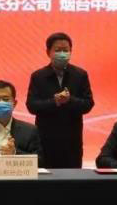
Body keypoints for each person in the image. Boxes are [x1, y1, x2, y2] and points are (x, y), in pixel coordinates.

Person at [26, 32, 94, 168]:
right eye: (58, 50)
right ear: (48, 52)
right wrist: (54, 102)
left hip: (72, 141)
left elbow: (88, 104)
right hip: (45, 140)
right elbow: (32, 106)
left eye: (65, 50)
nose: (62, 54)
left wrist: (70, 100)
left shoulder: (80, 75)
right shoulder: (38, 76)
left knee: (72, 178)